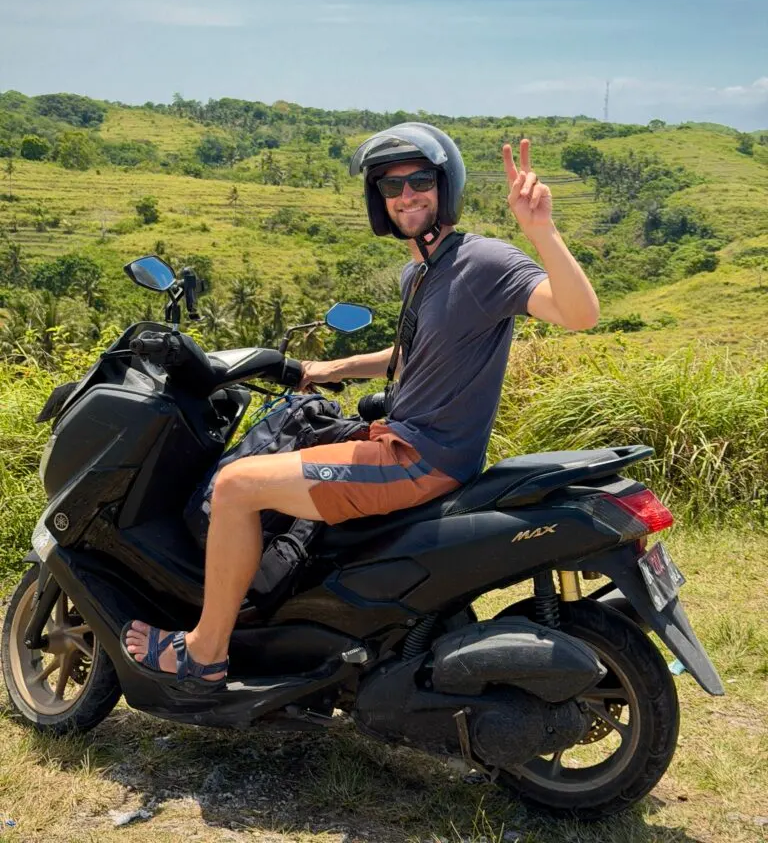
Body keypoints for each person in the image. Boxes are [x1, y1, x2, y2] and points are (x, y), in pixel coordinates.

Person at [122, 123, 599, 688]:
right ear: (379, 202)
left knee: (234, 487)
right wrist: (333, 368)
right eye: (391, 188)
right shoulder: (421, 271)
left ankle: (205, 651)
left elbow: (579, 314)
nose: (406, 196)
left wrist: (541, 231)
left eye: (419, 181)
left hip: (416, 460)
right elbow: (417, 349)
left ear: (446, 187)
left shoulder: (484, 262)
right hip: (399, 442)